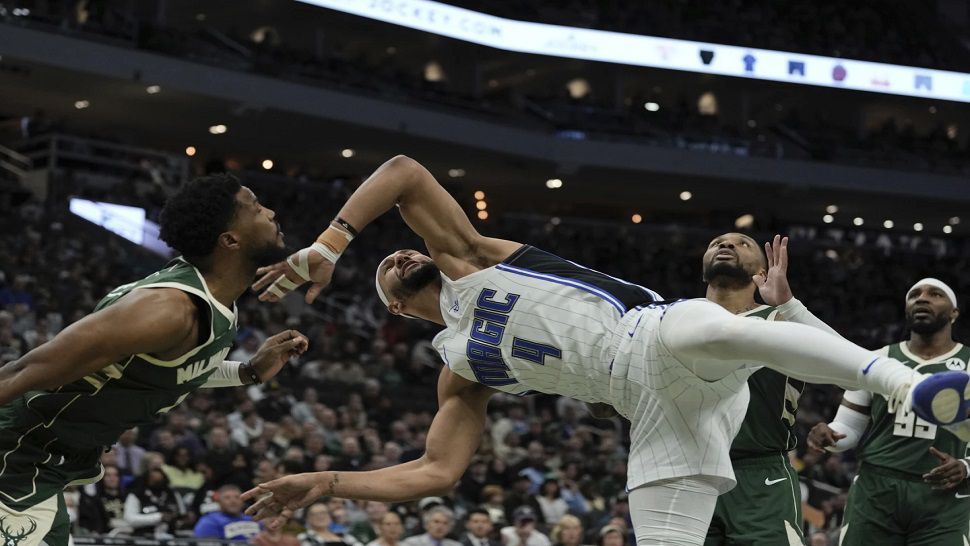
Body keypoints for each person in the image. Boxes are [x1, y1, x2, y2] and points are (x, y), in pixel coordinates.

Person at [243, 155, 970, 545]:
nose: (400, 257)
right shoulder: (460, 367)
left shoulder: (473, 253)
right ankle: (878, 371)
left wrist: (333, 244)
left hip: (654, 331)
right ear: (397, 310)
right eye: (388, 271)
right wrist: (330, 483)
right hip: (650, 411)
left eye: (403, 251)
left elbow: (402, 173)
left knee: (722, 327)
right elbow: (435, 471)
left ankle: (898, 380)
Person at [0, 173, 309, 546]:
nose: (272, 213)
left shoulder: (212, 301)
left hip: (46, 464)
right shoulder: (168, 309)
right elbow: (26, 369)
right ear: (230, 240)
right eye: (257, 208)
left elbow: (157, 372)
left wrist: (248, 372)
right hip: (17, 456)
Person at [807, 278, 970, 545]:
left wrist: (966, 466)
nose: (922, 298)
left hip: (945, 494)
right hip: (877, 487)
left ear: (954, 313)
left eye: (936, 294)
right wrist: (829, 435)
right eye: (914, 294)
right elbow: (848, 428)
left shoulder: (969, 363)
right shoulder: (877, 358)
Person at [702, 234, 808, 545]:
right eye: (716, 242)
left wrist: (788, 304)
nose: (725, 245)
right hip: (690, 468)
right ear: (703, 268)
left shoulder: (781, 320)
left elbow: (847, 360)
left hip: (760, 472)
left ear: (761, 273)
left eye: (742, 244)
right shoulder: (672, 316)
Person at [193, 484, 261, 541]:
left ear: (243, 501)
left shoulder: (254, 519)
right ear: (219, 501)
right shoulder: (209, 521)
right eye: (227, 498)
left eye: (237, 497)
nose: (233, 501)